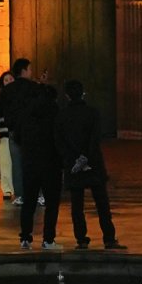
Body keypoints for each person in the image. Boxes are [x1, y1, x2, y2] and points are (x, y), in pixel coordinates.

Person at [53, 77, 118, 250]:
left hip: (73, 165)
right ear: (83, 94)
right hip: (93, 164)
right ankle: (109, 238)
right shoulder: (93, 113)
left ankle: (81, 239)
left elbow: (59, 142)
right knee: (102, 203)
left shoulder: (61, 117)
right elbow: (95, 139)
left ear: (67, 96)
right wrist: (86, 158)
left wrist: (74, 160)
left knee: (77, 205)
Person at [16, 73, 63, 249]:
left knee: (29, 201)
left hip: (30, 162)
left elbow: (18, 136)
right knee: (51, 204)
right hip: (51, 163)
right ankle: (48, 239)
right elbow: (60, 138)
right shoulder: (55, 112)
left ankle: (25, 238)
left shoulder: (26, 113)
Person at [0, 56, 30, 210]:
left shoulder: (19, 95)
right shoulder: (3, 96)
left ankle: (22, 191)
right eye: (6, 80)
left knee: (19, 163)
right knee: (8, 163)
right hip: (7, 135)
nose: (9, 82)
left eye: (11, 79)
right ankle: (9, 190)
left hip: (17, 132)